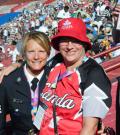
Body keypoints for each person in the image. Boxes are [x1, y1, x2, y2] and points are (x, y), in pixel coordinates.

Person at [0, 18, 111, 135]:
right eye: (64, 40)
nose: (69, 46)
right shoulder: (56, 63)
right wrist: (16, 66)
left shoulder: (94, 73)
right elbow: (35, 61)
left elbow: (89, 128)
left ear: (84, 42)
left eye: (75, 40)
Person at [0, 31, 51, 135]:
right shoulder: (8, 81)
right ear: (24, 54)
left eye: (41, 51)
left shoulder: (56, 78)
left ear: (48, 53)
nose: (36, 57)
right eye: (31, 51)